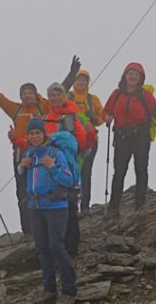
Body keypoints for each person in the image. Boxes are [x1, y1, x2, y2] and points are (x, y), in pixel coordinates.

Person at [0, 56, 81, 234]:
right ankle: (28, 230)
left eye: (30, 92)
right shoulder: (15, 109)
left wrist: (72, 73)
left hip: (42, 152)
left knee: (45, 187)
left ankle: (45, 226)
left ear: (35, 94)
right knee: (22, 192)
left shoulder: (44, 107)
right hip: (21, 155)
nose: (27, 95)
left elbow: (60, 90)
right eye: (24, 93)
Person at [18, 118, 78, 302]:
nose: (35, 136)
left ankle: (69, 289)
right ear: (28, 136)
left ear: (44, 134)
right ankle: (49, 288)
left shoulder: (55, 153)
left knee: (56, 247)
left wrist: (51, 166)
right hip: (35, 207)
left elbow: (68, 181)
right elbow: (31, 181)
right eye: (31, 133)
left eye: (38, 133)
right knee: (42, 248)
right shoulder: (30, 154)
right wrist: (21, 167)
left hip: (56, 206)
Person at [102, 62, 156, 215]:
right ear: (124, 75)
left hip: (140, 135)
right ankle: (113, 208)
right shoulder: (116, 94)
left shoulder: (145, 95)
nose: (132, 76)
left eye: (136, 74)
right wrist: (107, 117)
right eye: (130, 73)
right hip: (122, 135)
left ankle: (139, 206)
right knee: (119, 171)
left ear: (140, 78)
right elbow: (106, 112)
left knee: (141, 169)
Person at [42, 82, 93, 257]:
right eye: (52, 95)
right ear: (48, 98)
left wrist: (91, 133)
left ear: (64, 96)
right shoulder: (44, 118)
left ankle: (71, 249)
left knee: (69, 208)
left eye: (59, 94)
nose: (55, 98)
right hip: (47, 169)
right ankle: (55, 248)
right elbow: (35, 141)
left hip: (67, 168)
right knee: (51, 209)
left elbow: (84, 143)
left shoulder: (72, 117)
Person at [68, 69, 104, 212]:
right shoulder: (67, 97)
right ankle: (72, 206)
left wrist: (96, 119)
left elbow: (102, 115)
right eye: (79, 79)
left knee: (86, 172)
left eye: (84, 80)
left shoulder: (92, 99)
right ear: (74, 81)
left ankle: (85, 206)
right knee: (72, 172)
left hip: (89, 140)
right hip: (71, 140)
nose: (81, 82)